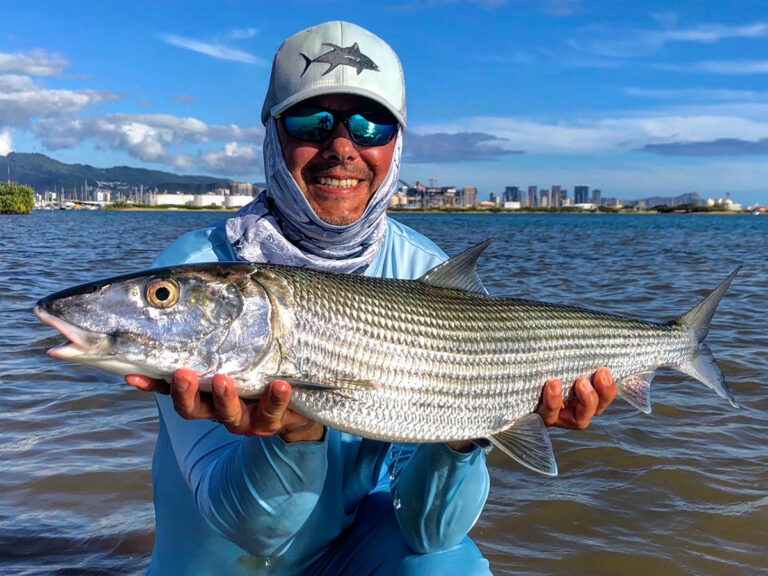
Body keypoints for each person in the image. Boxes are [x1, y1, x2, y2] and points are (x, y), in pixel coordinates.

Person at [127, 21, 618, 576]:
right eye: (311, 121)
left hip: (350, 553)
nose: (342, 148)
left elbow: (427, 531)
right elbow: (248, 532)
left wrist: (469, 430)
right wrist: (293, 431)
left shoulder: (422, 270)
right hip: (216, 565)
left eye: (370, 125)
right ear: (272, 134)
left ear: (396, 145)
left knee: (447, 567)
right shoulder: (198, 273)